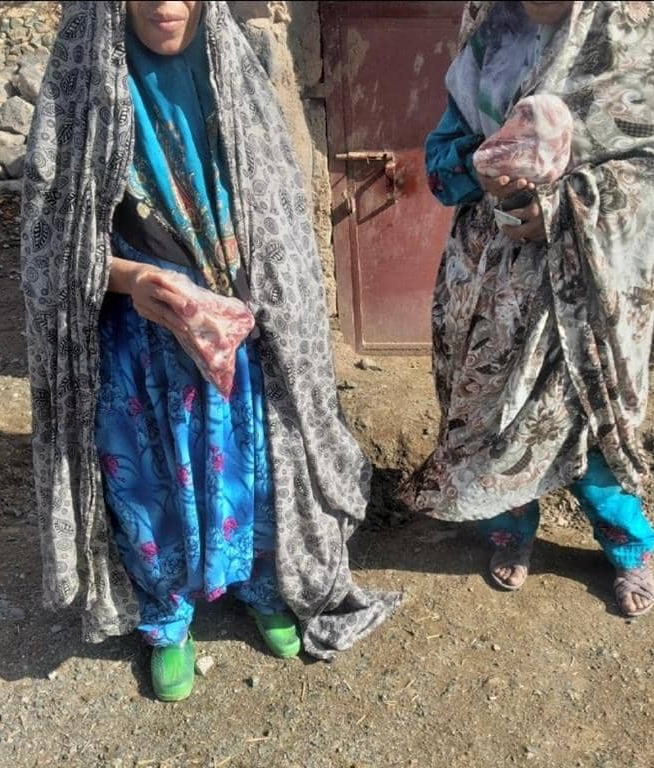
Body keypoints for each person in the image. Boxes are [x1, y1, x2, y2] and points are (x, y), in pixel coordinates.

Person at [21, 1, 400, 702]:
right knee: (147, 475)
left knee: (249, 460)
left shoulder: (236, 70)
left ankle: (259, 584)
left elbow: (277, 209)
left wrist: (253, 301)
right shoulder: (83, 80)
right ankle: (166, 617)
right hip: (138, 333)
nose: (166, 3)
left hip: (237, 323)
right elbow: (51, 232)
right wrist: (131, 280)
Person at [402, 0, 654, 616]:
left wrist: (562, 211)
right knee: (493, 419)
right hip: (487, 281)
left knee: (584, 429)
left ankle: (628, 547)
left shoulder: (627, 37)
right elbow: (443, 156)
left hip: (581, 292)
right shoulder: (490, 35)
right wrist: (479, 171)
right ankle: (510, 529)